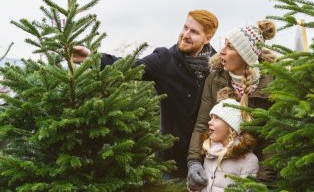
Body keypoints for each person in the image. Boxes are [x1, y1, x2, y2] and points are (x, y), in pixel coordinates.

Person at [73, 10, 219, 178]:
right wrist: (92, 57)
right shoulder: (165, 59)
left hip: (208, 158)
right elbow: (129, 66)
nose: (185, 34)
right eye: (185, 27)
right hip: (171, 162)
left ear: (207, 38)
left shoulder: (217, 66)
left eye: (193, 32)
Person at [187, 20, 277, 190]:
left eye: (230, 47)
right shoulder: (214, 79)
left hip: (251, 170)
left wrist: (263, 183)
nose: (222, 51)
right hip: (218, 168)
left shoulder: (271, 85)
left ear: (245, 55)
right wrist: (194, 162)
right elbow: (202, 124)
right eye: (224, 45)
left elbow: (273, 140)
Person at [190, 88, 259, 192]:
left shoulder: (249, 161)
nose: (209, 122)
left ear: (231, 127)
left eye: (216, 118)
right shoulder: (208, 152)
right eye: (211, 117)